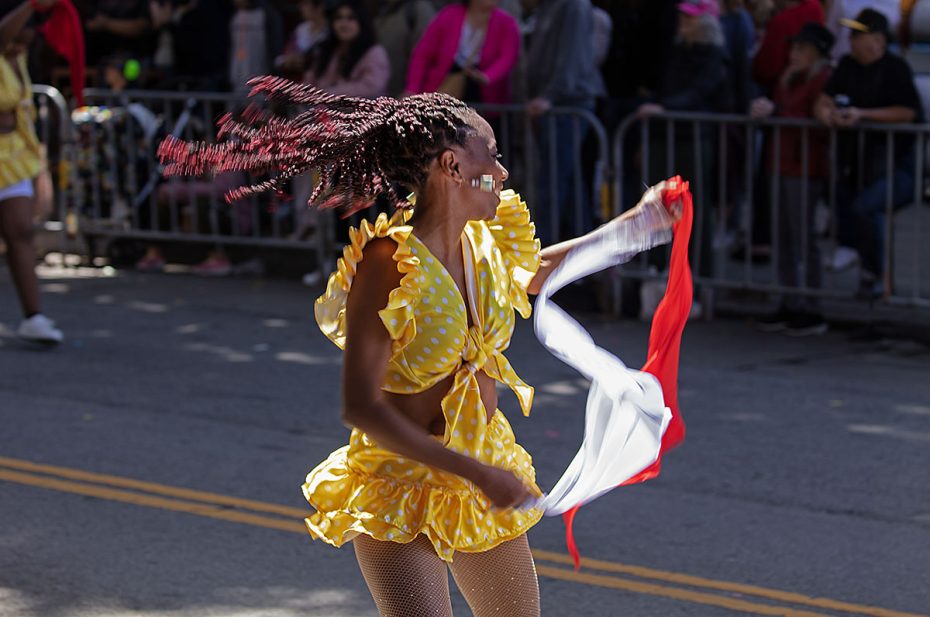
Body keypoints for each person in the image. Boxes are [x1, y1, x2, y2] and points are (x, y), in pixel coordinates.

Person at [158, 77, 682, 616]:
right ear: (452, 167)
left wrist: (637, 225)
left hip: (481, 470)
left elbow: (535, 270)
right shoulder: (387, 262)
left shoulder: (484, 239)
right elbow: (359, 406)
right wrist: (478, 473)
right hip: (401, 485)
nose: (502, 173)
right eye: (493, 157)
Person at [814, 8, 923, 295]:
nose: (851, 39)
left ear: (878, 40)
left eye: (859, 34)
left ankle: (880, 279)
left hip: (896, 165)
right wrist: (828, 115)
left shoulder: (895, 68)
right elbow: (822, 101)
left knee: (866, 209)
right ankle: (871, 276)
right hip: (856, 165)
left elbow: (908, 112)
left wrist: (863, 114)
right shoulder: (847, 65)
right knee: (849, 207)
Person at [752, 22, 834, 335]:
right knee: (783, 236)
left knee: (802, 236)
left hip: (804, 165)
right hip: (781, 162)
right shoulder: (788, 79)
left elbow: (812, 117)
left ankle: (811, 305)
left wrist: (775, 113)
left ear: (816, 53)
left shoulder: (820, 79)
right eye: (795, 47)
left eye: (802, 48)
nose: (795, 53)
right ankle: (790, 300)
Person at [0, 0, 63, 344]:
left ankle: (33, 317)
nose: (26, 38)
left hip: (12, 156)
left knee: (21, 231)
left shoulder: (17, 58)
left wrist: (37, 162)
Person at [524, 0, 604, 246]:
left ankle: (544, 256)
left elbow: (571, 56)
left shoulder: (574, 6)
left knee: (555, 184)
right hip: (554, 106)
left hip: (567, 105)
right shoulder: (550, 7)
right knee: (567, 184)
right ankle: (588, 261)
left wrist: (550, 96)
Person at [404, 0, 520, 107]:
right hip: (446, 86)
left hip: (484, 93)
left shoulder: (507, 23)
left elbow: (508, 57)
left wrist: (487, 76)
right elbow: (423, 54)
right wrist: (412, 88)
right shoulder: (449, 15)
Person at [304, 1, 389, 98]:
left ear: (362, 22)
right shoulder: (328, 49)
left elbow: (372, 88)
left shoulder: (374, 53)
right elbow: (310, 81)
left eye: (351, 18)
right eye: (338, 18)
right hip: (320, 109)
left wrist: (329, 93)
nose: (343, 24)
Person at [751, 0, 824, 96]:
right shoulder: (815, 6)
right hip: (807, 78)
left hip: (781, 86)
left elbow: (766, 70)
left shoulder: (781, 21)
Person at [375, 0, 436, 97]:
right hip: (384, 93)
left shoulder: (418, 10)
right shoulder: (382, 10)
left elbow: (425, 56)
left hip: (407, 95)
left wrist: (413, 90)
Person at [275, 0, 328, 80]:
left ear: (319, 7)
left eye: (305, 4)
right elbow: (285, 55)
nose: (301, 8)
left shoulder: (329, 31)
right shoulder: (301, 29)